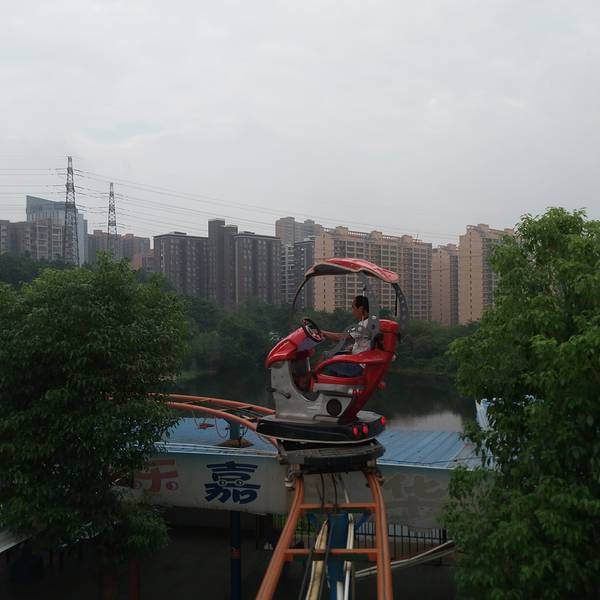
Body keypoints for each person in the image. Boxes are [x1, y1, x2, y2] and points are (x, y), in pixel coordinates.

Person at [320, 295, 371, 377]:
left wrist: (323, 333)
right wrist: (354, 346)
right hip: (362, 362)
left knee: (325, 355)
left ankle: (311, 378)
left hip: (357, 367)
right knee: (334, 355)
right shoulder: (372, 322)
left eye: (353, 308)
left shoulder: (363, 325)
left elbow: (340, 338)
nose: (352, 311)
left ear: (361, 309)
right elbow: (367, 342)